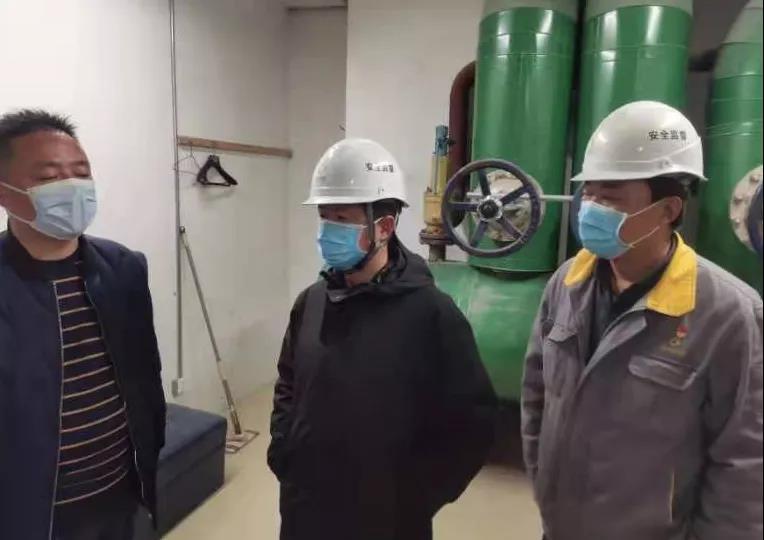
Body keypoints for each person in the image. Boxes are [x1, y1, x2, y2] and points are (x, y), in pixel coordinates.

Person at [522, 101, 763, 540]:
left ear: (668, 210)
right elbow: (536, 396)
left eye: (610, 197)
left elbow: (744, 463)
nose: (590, 208)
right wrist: (546, 491)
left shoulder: (728, 314)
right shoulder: (567, 283)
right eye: (588, 192)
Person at [267, 138, 497, 540]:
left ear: (385, 227)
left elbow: (472, 422)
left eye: (341, 218)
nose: (327, 231)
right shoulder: (311, 302)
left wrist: (416, 498)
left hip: (388, 521)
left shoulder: (431, 314)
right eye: (324, 217)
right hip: (306, 508)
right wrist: (285, 451)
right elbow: (289, 382)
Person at [0, 109, 166, 540]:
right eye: (49, 177)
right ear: (4, 192)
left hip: (120, 496)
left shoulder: (123, 268)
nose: (71, 187)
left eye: (81, 173)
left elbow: (145, 377)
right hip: (30, 515)